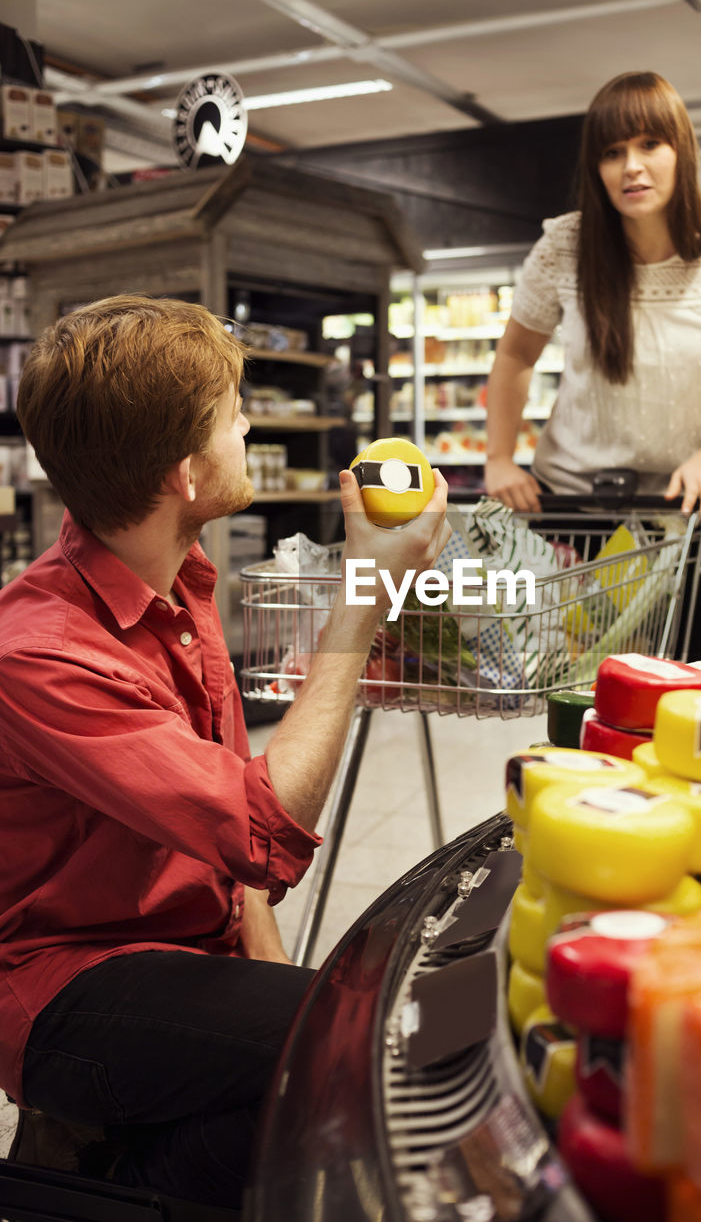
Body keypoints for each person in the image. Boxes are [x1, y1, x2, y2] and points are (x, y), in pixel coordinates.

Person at [0, 294, 450, 1208]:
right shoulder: (39, 653)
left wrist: (275, 985)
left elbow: (229, 855)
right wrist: (362, 601)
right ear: (187, 475)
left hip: (184, 957)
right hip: (68, 988)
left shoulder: (182, 579)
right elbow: (261, 825)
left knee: (313, 1077)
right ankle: (96, 1182)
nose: (249, 423)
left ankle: (98, 1173)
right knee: (351, 1047)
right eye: (231, 416)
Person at [485, 70, 701, 660]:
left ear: (681, 151)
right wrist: (500, 457)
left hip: (692, 515)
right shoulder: (564, 247)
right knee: (574, 689)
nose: (632, 166)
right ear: (596, 168)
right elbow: (515, 354)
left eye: (649, 145)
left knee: (681, 681)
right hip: (575, 513)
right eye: (612, 152)